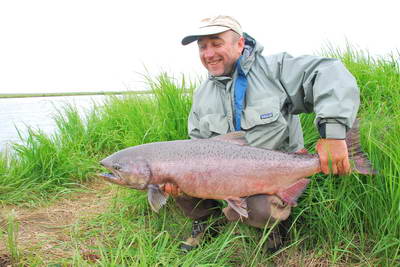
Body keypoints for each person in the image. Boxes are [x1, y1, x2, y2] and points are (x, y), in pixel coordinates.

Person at [163, 15, 360, 251]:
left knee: (262, 210)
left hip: (276, 173)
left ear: (240, 44)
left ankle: (274, 224)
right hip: (222, 176)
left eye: (216, 43)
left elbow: (329, 72)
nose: (208, 54)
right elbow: (195, 148)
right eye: (202, 47)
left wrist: (334, 133)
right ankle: (207, 220)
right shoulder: (201, 95)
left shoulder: (275, 70)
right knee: (170, 172)